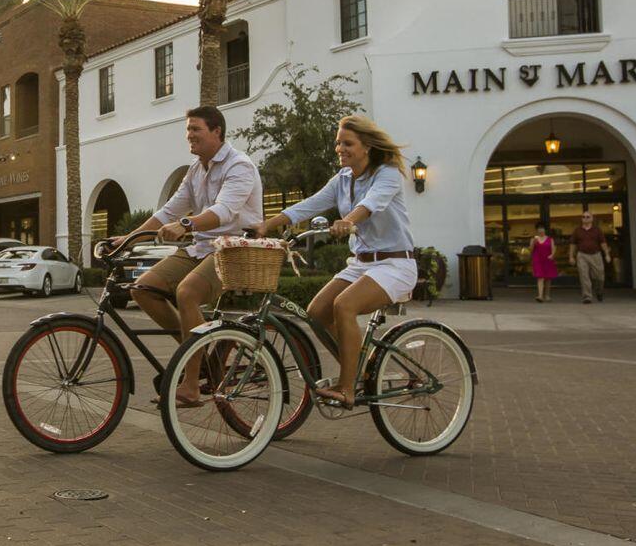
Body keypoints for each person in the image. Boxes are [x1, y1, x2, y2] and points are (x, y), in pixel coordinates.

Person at [257, 115, 417, 408]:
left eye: (348, 143)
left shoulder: (387, 173)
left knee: (344, 306)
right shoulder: (342, 179)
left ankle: (347, 387)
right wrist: (267, 225)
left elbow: (370, 205)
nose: (340, 148)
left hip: (395, 264)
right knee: (316, 311)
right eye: (337, 143)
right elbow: (309, 205)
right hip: (361, 263)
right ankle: (356, 367)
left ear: (367, 146)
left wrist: (347, 221)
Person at [108, 106, 263, 407]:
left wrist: (186, 224)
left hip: (235, 250)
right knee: (143, 288)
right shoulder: (196, 169)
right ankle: (200, 353)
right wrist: (127, 240)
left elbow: (224, 211)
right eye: (188, 130)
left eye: (196, 130)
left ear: (217, 131)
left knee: (187, 293)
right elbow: (169, 210)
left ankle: (191, 385)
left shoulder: (239, 165)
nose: (189, 136)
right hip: (202, 249)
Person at [570, 210, 610, 304]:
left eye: (588, 217)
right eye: (583, 217)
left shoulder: (597, 230)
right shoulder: (577, 230)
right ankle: (587, 297)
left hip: (596, 255)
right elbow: (573, 244)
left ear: (592, 219)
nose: (585, 219)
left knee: (599, 276)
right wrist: (571, 256)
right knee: (584, 276)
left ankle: (599, 291)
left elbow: (603, 243)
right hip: (582, 255)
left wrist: (607, 254)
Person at [529, 225, 558, 303]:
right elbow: (531, 250)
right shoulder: (533, 239)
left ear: (545, 230)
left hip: (547, 260)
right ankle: (540, 296)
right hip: (538, 260)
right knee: (540, 277)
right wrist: (533, 243)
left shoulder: (550, 239)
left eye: (542, 229)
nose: (541, 231)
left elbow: (553, 249)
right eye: (539, 229)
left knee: (548, 278)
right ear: (537, 231)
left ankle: (547, 295)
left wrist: (552, 255)